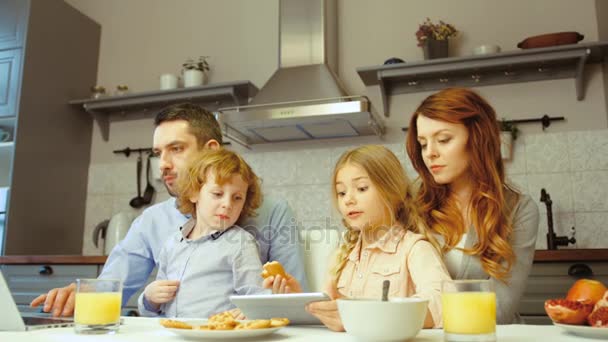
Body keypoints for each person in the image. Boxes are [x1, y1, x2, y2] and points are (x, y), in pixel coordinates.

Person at [30, 103, 308, 316]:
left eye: (175, 149)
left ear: (211, 150)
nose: (162, 164)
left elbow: (296, 299)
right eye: (158, 153)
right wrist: (79, 295)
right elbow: (113, 286)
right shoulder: (152, 221)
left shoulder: (273, 213)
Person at [405, 87, 539, 324]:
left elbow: (500, 308)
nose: (430, 154)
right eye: (423, 144)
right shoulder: (411, 205)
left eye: (443, 139)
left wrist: (421, 314)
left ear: (477, 138)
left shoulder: (519, 209)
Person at [297, 145, 452, 331]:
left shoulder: (414, 249)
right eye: (342, 192)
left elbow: (444, 304)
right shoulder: (340, 257)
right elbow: (330, 314)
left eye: (361, 188)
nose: (348, 200)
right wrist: (298, 300)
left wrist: (362, 315)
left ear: (393, 192)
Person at [140, 148, 269, 317]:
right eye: (217, 194)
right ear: (194, 193)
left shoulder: (240, 243)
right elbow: (152, 307)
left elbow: (259, 297)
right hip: (174, 334)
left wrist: (249, 312)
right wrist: (150, 298)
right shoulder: (172, 244)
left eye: (237, 198)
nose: (227, 204)